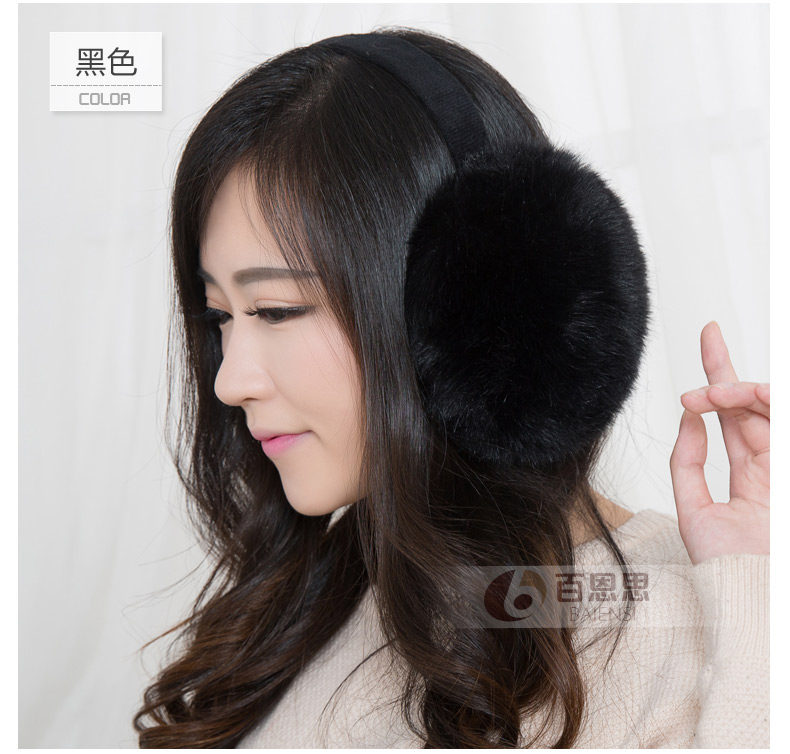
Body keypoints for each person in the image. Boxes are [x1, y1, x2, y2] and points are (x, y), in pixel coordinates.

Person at [133, 27, 769, 748]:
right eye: (220, 316)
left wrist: (756, 601)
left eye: (276, 310)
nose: (229, 381)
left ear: (466, 305)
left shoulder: (683, 616)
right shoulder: (317, 598)